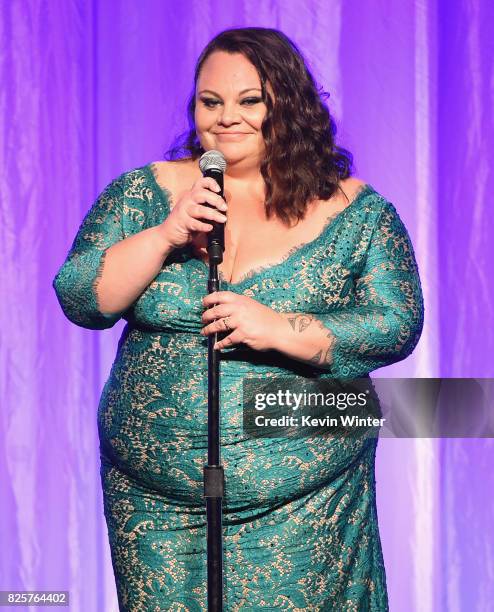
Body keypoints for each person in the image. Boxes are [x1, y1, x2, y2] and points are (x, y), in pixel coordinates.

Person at [53, 26, 424, 611]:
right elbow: (80, 297)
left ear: (289, 105)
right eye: (211, 102)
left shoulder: (357, 212)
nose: (227, 118)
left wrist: (275, 327)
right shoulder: (145, 193)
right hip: (154, 505)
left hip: (306, 505)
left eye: (249, 101)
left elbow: (397, 322)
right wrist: (168, 234)